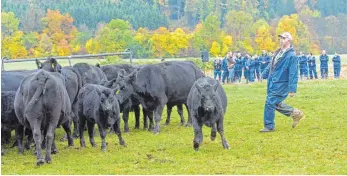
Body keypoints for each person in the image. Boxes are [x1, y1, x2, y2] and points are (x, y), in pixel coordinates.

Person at [260, 32, 304, 132]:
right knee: (275, 103)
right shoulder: (278, 52)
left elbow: (293, 73)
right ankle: (295, 113)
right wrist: (264, 73)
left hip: (281, 84)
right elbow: (271, 65)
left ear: (289, 40)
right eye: (280, 38)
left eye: (283, 38)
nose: (281, 40)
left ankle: (269, 126)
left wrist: (292, 89)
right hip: (272, 82)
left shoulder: (291, 56)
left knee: (270, 102)